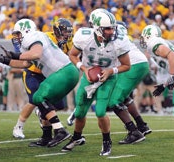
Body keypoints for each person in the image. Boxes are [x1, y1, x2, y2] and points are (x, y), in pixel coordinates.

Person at [0, 18, 79, 147]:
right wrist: (5, 60)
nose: (16, 37)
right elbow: (25, 63)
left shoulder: (33, 36)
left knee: (38, 97)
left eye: (18, 33)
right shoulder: (32, 41)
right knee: (44, 103)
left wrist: (15, 55)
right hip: (65, 73)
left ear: (26, 31)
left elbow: (36, 54)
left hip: (63, 72)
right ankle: (47, 136)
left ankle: (60, 130)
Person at [61, 9, 131, 156]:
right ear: (98, 29)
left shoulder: (119, 41)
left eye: (113, 27)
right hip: (89, 77)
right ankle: (77, 137)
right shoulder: (84, 37)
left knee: (100, 111)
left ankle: (107, 141)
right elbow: (72, 55)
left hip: (108, 78)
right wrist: (84, 69)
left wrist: (111, 71)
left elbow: (126, 65)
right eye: (108, 28)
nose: (112, 31)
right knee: (79, 113)